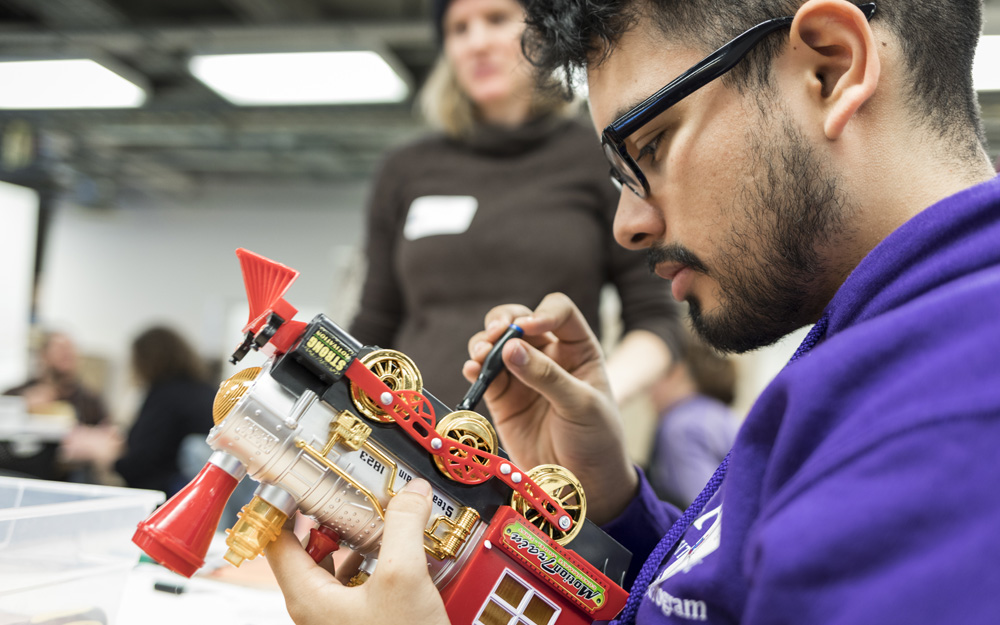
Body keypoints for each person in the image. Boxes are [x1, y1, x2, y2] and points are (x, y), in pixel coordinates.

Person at [265, 0, 1000, 623]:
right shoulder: (884, 346)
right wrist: (610, 511)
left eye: (650, 142)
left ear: (830, 69)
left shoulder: (948, 419)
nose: (629, 225)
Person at [347, 0, 682, 413]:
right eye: (459, 29)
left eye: (496, 19)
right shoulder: (406, 168)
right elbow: (374, 325)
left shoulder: (596, 154)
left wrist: (589, 405)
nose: (477, 42)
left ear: (542, 33)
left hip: (541, 451)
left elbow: (656, 319)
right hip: (407, 437)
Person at [60, 326, 216, 496]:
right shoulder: (205, 391)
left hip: (170, 496)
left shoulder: (165, 396)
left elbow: (136, 466)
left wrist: (102, 454)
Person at [646, 331, 739, 508]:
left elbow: (705, 511)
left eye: (655, 374)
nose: (648, 389)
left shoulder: (682, 427)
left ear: (677, 372)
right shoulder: (720, 414)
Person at [2, 331, 110, 480]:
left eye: (70, 349)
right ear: (44, 355)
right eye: (60, 349)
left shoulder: (89, 400)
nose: (67, 354)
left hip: (64, 476)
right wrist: (24, 405)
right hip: (17, 471)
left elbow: (107, 434)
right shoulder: (17, 393)